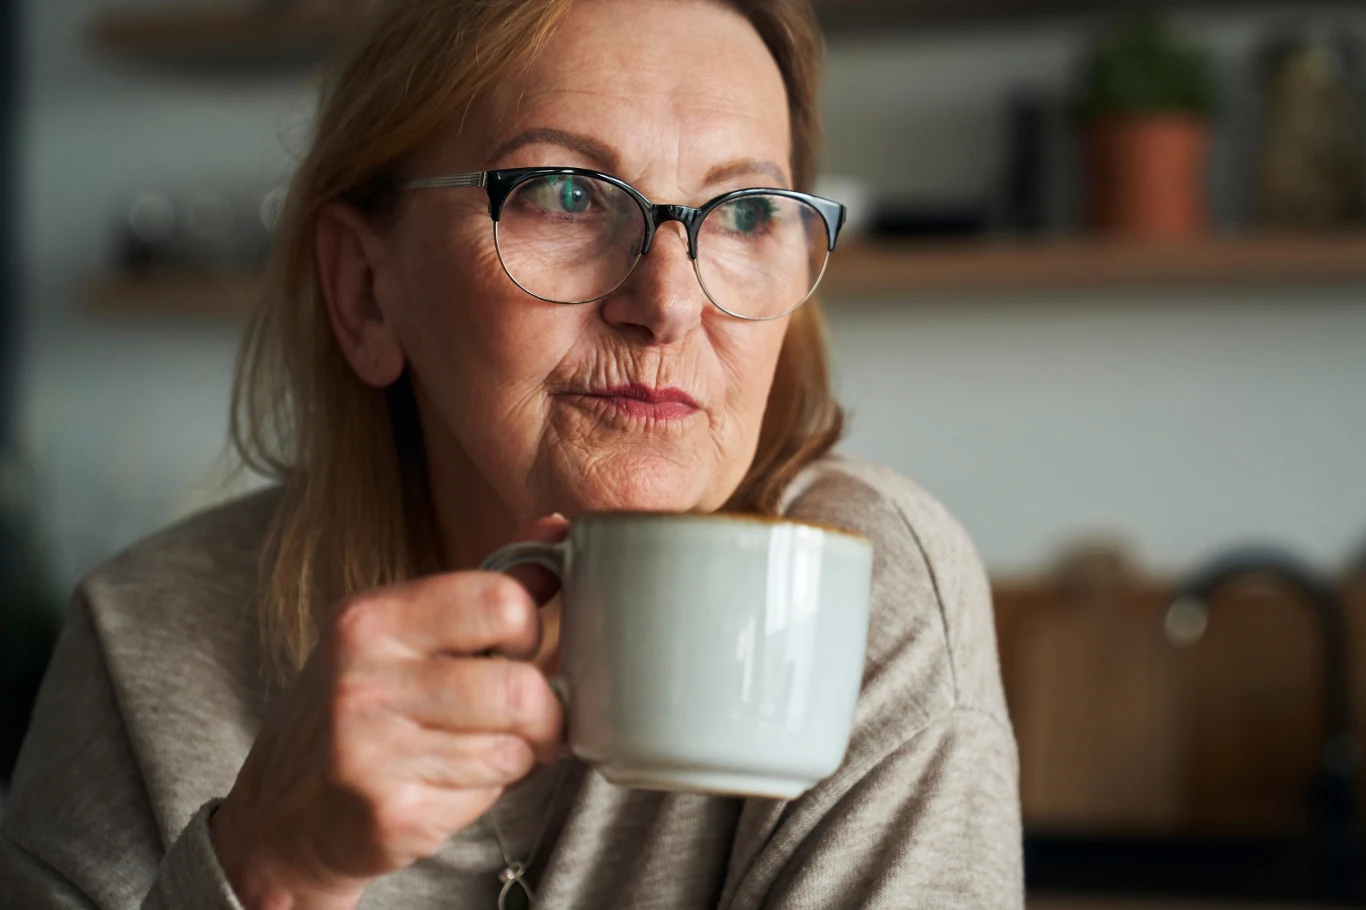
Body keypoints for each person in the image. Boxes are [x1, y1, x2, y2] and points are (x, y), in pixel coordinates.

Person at [1, 0, 1023, 906]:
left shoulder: (861, 596)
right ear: (365, 290)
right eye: (568, 197)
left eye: (745, 212)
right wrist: (263, 875)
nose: (667, 301)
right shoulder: (144, 648)